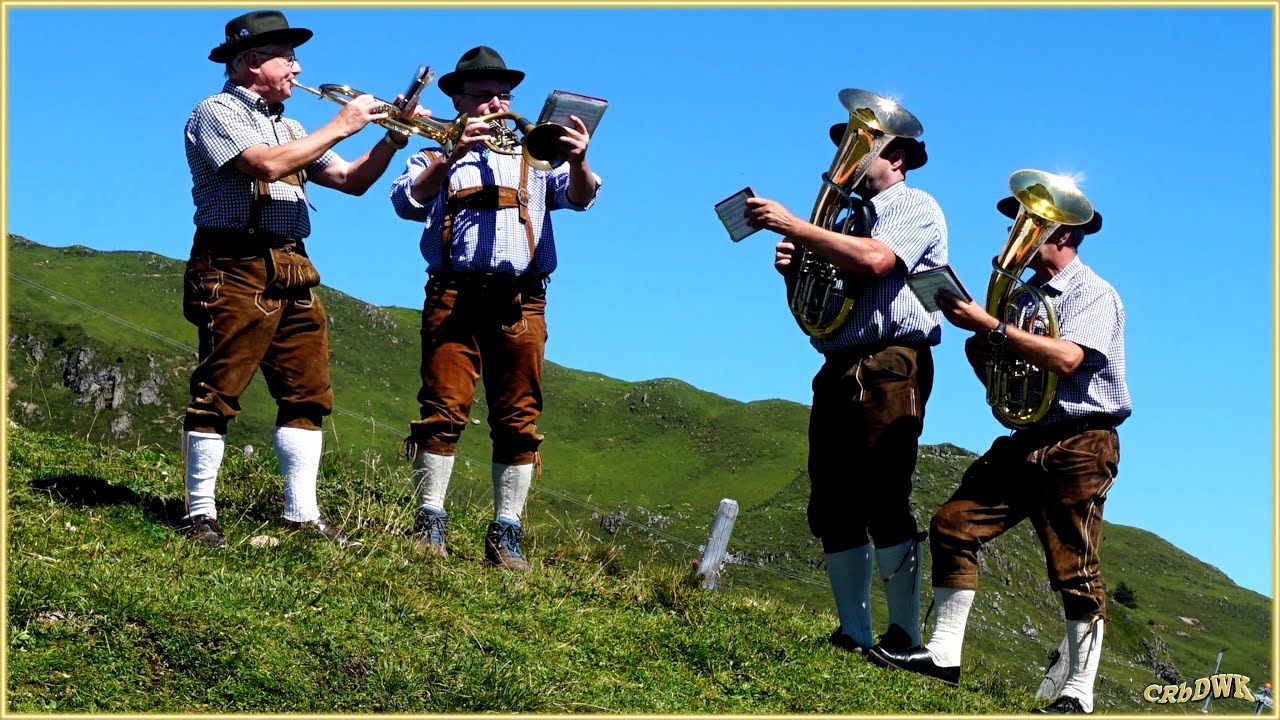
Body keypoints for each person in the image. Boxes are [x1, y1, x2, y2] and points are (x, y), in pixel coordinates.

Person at [868, 195, 1130, 716]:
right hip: (1029, 437)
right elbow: (1008, 386)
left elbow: (1069, 357)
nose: (1016, 233)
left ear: (1060, 235)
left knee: (1073, 566)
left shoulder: (1093, 292)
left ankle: (1078, 692)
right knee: (952, 524)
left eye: (1029, 226)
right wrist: (984, 356)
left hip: (1082, 439)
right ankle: (943, 654)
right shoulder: (1025, 300)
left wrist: (991, 328)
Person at [182, 10, 428, 548]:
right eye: (286, 57)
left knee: (307, 391)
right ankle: (199, 513)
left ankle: (301, 514)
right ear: (252, 64)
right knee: (219, 388)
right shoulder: (216, 111)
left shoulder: (291, 124)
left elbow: (350, 180)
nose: (298, 68)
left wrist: (391, 137)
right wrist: (344, 122)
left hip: (293, 262)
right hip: (234, 262)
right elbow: (265, 166)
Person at [389, 46, 601, 571]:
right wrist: (450, 153)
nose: (497, 104)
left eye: (503, 95)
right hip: (453, 292)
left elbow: (581, 197)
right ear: (459, 100)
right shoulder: (434, 150)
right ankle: (429, 522)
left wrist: (577, 157)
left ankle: (506, 533)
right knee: (442, 407)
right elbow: (404, 202)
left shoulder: (534, 155)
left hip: (520, 298)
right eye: (484, 96)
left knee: (519, 417)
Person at [744, 122, 947, 654]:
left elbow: (876, 261)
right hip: (840, 361)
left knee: (884, 494)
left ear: (897, 156)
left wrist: (798, 227)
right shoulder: (844, 220)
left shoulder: (914, 204)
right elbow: (819, 313)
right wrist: (794, 276)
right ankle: (853, 632)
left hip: (890, 360)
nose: (847, 157)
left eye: (863, 145)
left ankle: (905, 634)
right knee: (832, 501)